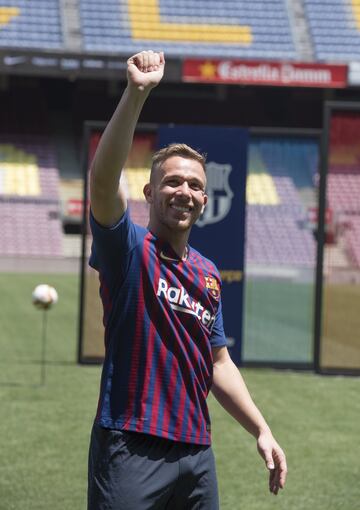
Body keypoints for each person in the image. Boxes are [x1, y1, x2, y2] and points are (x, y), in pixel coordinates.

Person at [88, 50, 287, 510]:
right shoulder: (129, 249)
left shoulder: (207, 274)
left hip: (197, 451)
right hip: (131, 443)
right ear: (150, 192)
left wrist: (261, 428)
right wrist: (137, 93)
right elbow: (102, 183)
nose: (186, 192)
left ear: (204, 199)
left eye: (196, 185)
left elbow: (218, 363)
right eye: (173, 182)